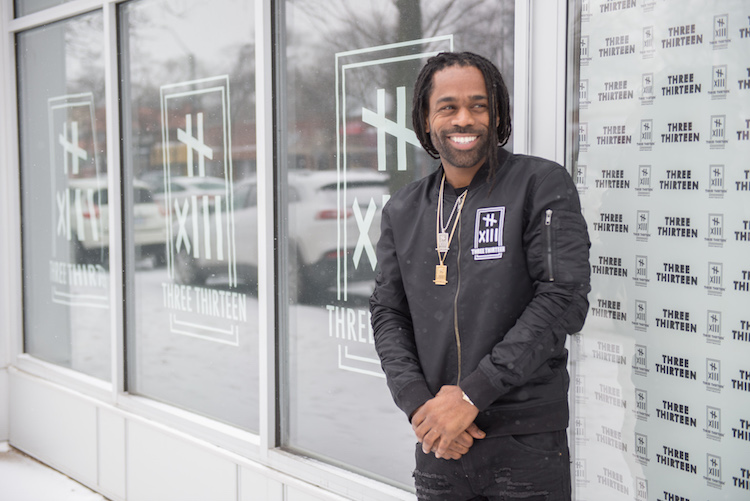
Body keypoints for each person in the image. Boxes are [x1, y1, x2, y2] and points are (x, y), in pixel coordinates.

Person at [370, 52, 591, 500]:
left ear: (497, 114)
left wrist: (470, 396)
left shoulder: (539, 184)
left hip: (524, 444)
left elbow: (563, 297)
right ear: (427, 120)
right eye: (447, 106)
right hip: (440, 446)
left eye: (479, 105)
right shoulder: (404, 209)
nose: (464, 119)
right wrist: (421, 407)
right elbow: (387, 312)